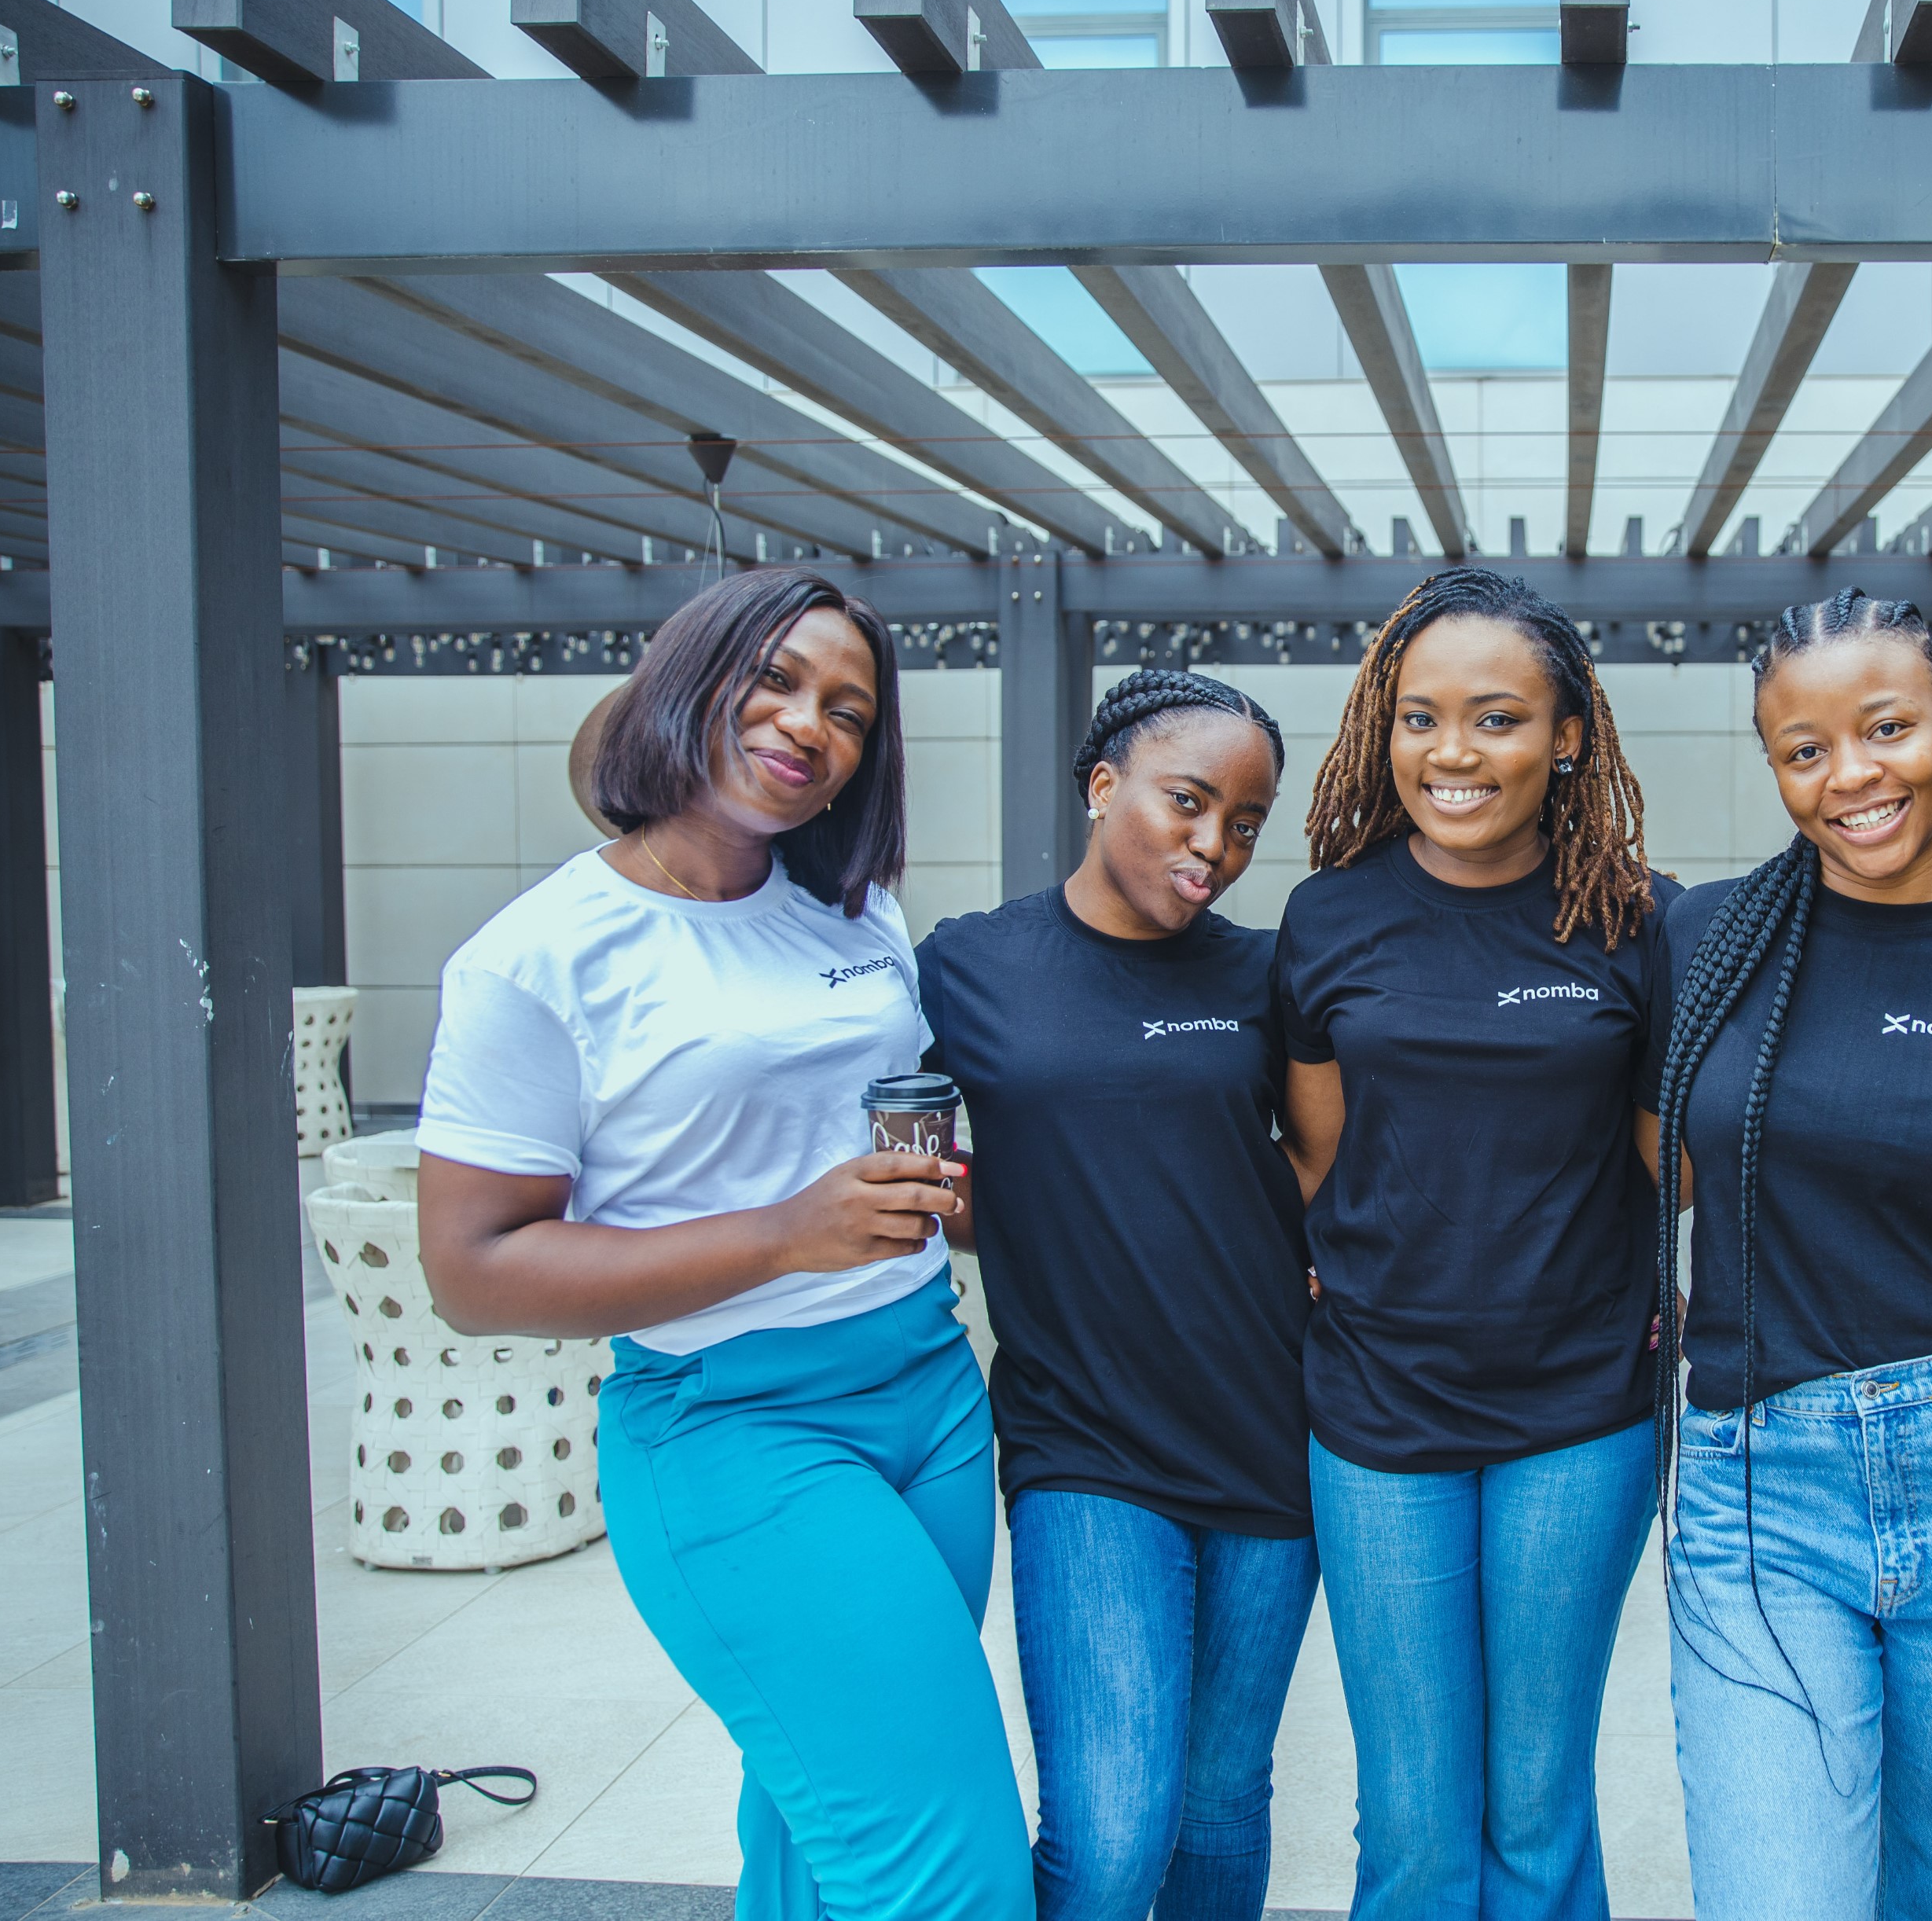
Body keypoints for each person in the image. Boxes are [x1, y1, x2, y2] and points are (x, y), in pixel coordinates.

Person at [411, 567, 1028, 1921]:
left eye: (851, 711)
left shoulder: (851, 909)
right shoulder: (539, 959)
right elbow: (472, 1270)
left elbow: (896, 1146)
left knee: (818, 1838)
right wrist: (783, 1237)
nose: (812, 725)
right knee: (951, 1872)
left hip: (928, 1397)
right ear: (693, 674)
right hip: (737, 1433)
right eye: (782, 681)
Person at [1640, 590, 1932, 1921]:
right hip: (1759, 1495)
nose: (1851, 776)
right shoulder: (1712, 940)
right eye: (1805, 750)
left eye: (1887, 728)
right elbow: (1637, 1167)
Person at [1274, 567, 1676, 1921]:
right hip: (1380, 1414)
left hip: (1581, 1415)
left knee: (1538, 1806)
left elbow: (1659, 1162)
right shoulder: (1328, 917)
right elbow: (1325, 1155)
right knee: (1416, 1822)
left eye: (1497, 717)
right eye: (1421, 717)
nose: (1454, 753)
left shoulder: (1639, 922)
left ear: (1568, 735)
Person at [913, 669, 1317, 1921]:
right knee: (1110, 1830)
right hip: (1083, 1442)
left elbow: (1321, 1168)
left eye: (1246, 822)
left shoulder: (1266, 975)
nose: (1216, 846)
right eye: (1189, 802)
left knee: (1218, 1811)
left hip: (1273, 1436)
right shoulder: (972, 966)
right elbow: (922, 1171)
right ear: (1103, 785)